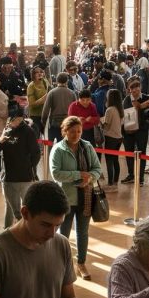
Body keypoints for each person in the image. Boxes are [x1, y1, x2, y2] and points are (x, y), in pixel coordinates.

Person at [49, 116, 102, 280]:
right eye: (72, 131)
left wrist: (89, 178)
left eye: (79, 131)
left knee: (83, 232)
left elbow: (97, 169)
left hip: (85, 197)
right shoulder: (58, 149)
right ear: (65, 131)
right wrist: (78, 175)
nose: (76, 135)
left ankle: (81, 263)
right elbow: (56, 174)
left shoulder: (87, 147)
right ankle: (61, 265)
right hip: (65, 198)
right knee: (63, 233)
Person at [0, 114, 40, 227]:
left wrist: (30, 168)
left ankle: (26, 232)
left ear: (20, 119)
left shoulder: (28, 131)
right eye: (10, 119)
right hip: (8, 178)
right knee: (9, 207)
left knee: (24, 210)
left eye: (14, 119)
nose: (11, 121)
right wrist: (0, 140)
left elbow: (36, 153)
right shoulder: (7, 130)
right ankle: (7, 231)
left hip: (24, 178)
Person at [122, 76, 149, 185]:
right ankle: (131, 175)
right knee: (129, 152)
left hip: (142, 130)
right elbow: (127, 113)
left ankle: (140, 178)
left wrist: (147, 109)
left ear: (140, 87)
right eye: (132, 87)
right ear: (129, 89)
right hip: (128, 131)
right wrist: (141, 107)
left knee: (141, 152)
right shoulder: (127, 100)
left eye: (137, 86)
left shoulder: (147, 98)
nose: (135, 89)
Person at [41, 72, 75, 143]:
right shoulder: (72, 93)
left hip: (54, 123)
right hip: (67, 123)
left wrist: (43, 121)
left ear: (57, 81)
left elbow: (46, 109)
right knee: (65, 144)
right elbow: (75, 110)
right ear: (67, 81)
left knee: (51, 145)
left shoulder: (52, 93)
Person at [101, 88, 124, 188]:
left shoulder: (109, 110)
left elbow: (106, 126)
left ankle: (110, 182)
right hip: (119, 137)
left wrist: (100, 123)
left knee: (109, 160)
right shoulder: (120, 109)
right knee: (115, 160)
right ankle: (115, 181)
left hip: (110, 137)